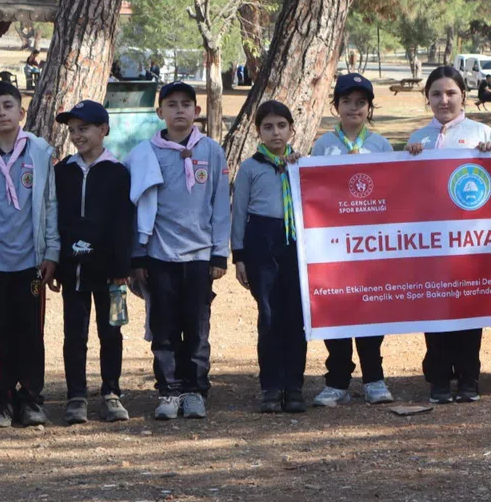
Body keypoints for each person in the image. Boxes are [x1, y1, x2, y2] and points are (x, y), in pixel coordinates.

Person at [125, 82, 229, 420]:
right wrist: (138, 255)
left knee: (197, 326)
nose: (179, 110)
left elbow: (219, 204)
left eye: (187, 104)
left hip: (199, 256)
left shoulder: (211, 150)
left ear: (197, 111)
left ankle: (195, 390)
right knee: (164, 326)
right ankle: (168, 390)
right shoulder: (145, 153)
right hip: (159, 255)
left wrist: (218, 253)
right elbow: (137, 206)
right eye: (172, 105)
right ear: (160, 113)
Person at [406, 66, 491, 404]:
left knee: (470, 308)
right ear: (427, 98)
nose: (443, 100)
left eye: (450, 93)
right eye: (436, 94)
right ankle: (439, 378)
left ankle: (469, 378)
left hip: (471, 243)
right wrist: (409, 159)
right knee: (435, 309)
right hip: (431, 243)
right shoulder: (418, 139)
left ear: (463, 96)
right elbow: (407, 192)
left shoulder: (482, 133)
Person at [309, 73, 396, 408]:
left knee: (372, 312)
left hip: (370, 247)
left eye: (361, 102)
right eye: (347, 102)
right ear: (336, 106)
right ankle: (337, 381)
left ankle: (374, 379)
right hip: (333, 247)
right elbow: (313, 191)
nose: (354, 108)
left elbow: (393, 191)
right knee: (336, 311)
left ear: (369, 108)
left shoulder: (381, 145)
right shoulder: (323, 146)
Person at [53, 100, 133, 424]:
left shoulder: (118, 173)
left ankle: (111, 393)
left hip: (108, 272)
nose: (76, 135)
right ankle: (76, 396)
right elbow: (55, 219)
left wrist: (120, 269)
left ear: (103, 130)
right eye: (72, 130)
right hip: (72, 269)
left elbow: (124, 223)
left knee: (110, 332)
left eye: (83, 128)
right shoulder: (62, 172)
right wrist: (57, 262)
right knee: (75, 334)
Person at [232, 100, 307, 415]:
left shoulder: (302, 164)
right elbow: (238, 212)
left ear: (291, 128)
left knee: (297, 317)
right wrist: (239, 255)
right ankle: (271, 387)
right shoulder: (250, 168)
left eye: (281, 126)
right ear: (258, 131)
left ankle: (294, 387)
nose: (275, 133)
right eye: (268, 127)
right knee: (269, 316)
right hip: (261, 243)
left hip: (296, 244)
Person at [0, 82, 58, 428]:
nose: (1, 113)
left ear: (22, 112)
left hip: (30, 263)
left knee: (30, 332)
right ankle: (1, 399)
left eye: (8, 106)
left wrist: (52, 251)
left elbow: (50, 204)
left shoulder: (39, 152)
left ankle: (31, 399)